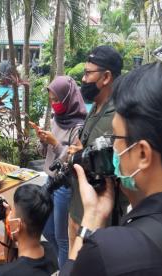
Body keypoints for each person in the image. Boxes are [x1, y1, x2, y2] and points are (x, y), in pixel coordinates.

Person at [61, 60, 162, 275]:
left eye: (116, 138)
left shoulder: (109, 252)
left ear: (142, 154)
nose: (113, 148)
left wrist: (91, 218)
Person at [67, 46, 128, 248]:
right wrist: (78, 152)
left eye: (88, 73)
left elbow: (112, 164)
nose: (83, 79)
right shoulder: (95, 106)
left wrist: (82, 157)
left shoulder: (118, 115)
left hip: (100, 215)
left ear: (106, 77)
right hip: (78, 206)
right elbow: (84, 146)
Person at [30, 76, 86, 268]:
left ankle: (64, 270)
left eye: (57, 100)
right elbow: (47, 155)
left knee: (62, 238)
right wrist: (43, 141)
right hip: (50, 179)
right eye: (51, 100)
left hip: (65, 185)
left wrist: (55, 143)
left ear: (68, 98)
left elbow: (72, 161)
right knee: (46, 227)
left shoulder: (79, 127)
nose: (54, 104)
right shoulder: (56, 119)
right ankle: (62, 266)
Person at [0, 184, 58, 276]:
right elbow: (21, 261)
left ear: (18, 225)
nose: (8, 215)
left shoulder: (2, 273)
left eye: (12, 212)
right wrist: (9, 223)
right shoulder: (51, 251)